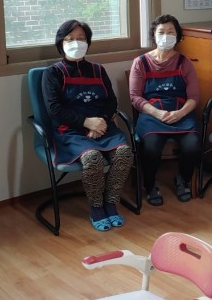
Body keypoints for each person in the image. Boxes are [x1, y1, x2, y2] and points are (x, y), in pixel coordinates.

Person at [42, 19, 134, 232]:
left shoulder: (98, 70)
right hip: (70, 131)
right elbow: (54, 109)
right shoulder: (53, 73)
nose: (76, 43)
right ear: (61, 43)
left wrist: (100, 122)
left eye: (80, 38)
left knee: (124, 154)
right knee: (92, 158)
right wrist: (85, 123)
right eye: (69, 39)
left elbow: (111, 101)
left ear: (88, 42)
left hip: (103, 127)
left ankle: (111, 202)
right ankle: (96, 207)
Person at [129, 14, 201, 206]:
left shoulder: (185, 63)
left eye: (171, 32)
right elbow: (135, 97)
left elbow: (194, 97)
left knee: (193, 145)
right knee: (151, 147)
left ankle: (182, 179)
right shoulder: (140, 63)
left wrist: (180, 113)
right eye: (161, 32)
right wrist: (157, 113)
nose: (166, 36)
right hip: (151, 114)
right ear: (154, 34)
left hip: (181, 113)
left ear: (178, 36)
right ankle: (150, 185)